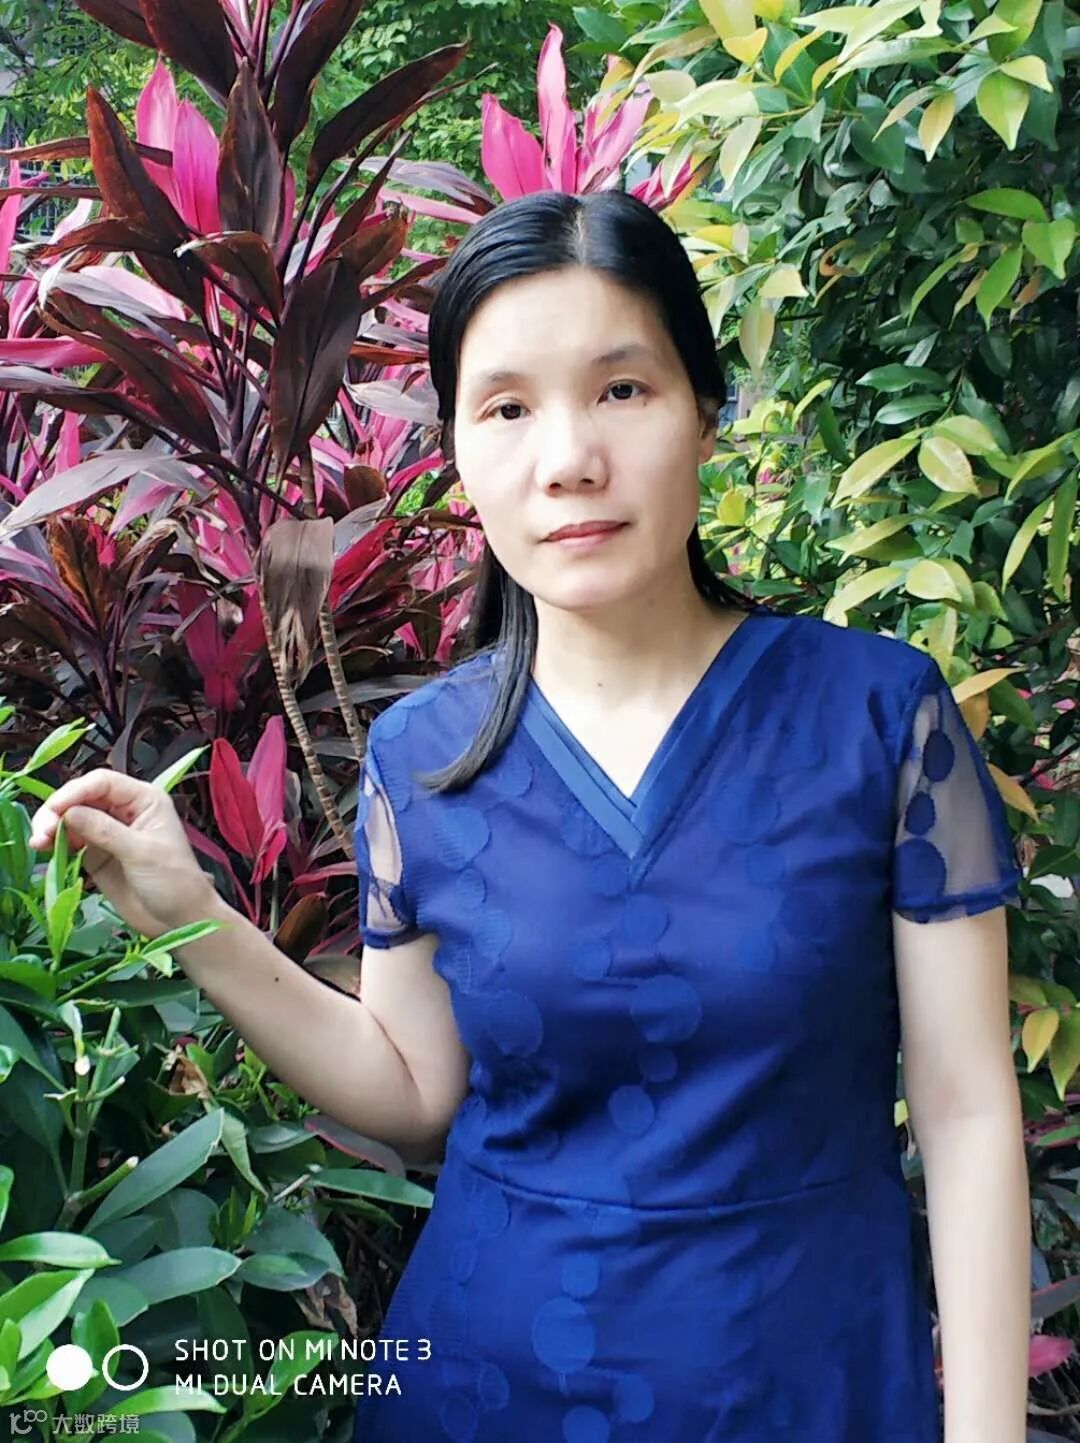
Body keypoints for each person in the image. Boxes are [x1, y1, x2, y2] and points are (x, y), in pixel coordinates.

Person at [28, 190, 1031, 1442]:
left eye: (623, 389)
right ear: (459, 449)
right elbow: (411, 1089)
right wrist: (197, 917)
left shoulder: (876, 719)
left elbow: (967, 1113)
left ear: (705, 409)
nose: (567, 459)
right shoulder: (424, 756)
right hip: (483, 1391)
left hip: (805, 1388)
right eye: (507, 408)